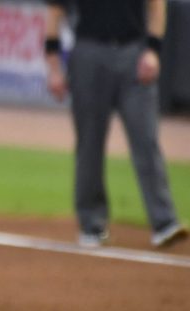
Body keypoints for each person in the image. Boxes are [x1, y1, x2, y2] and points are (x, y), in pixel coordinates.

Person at [44, 0, 186, 248]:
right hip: (89, 52)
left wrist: (153, 49)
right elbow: (55, 12)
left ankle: (164, 222)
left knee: (146, 138)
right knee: (89, 143)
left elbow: (157, 4)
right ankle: (91, 224)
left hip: (134, 52)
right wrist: (54, 67)